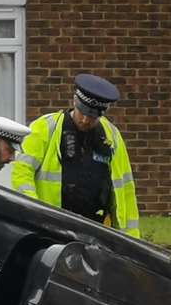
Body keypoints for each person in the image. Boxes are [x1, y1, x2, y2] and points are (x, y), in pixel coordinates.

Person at [12, 73, 141, 238]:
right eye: (83, 112)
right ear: (75, 101)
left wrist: (131, 241)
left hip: (97, 230)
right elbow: (22, 174)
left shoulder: (112, 137)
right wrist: (37, 213)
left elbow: (126, 192)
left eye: (93, 116)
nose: (86, 120)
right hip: (51, 227)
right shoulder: (45, 128)